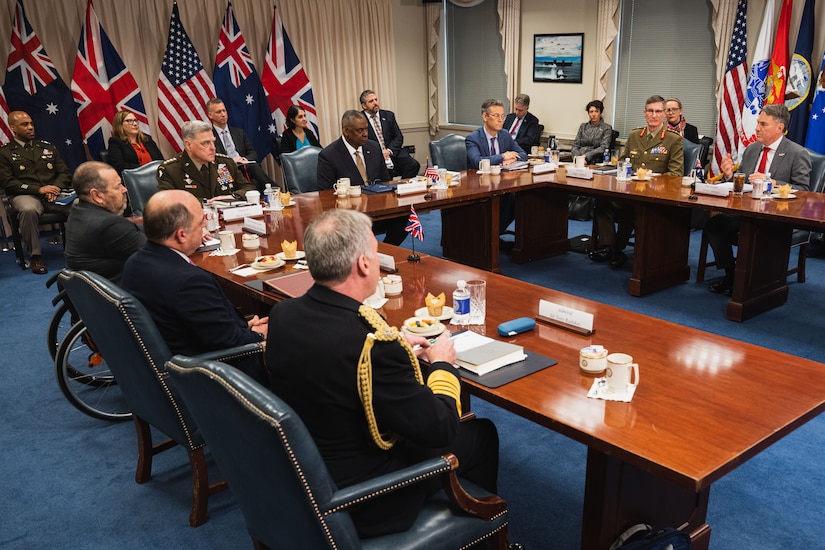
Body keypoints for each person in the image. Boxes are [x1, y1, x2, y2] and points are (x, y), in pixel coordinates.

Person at [266, 208, 499, 537]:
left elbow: (335, 357)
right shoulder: (374, 346)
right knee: (481, 435)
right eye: (375, 253)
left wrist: (397, 346)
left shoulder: (283, 315)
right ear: (363, 264)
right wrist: (444, 363)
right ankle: (480, 537)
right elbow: (441, 429)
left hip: (304, 476)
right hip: (364, 500)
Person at [121, 189, 268, 383]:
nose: (206, 224)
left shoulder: (136, 261)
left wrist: (240, 327)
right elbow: (229, 344)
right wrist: (258, 335)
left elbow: (203, 325)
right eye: (201, 222)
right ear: (181, 235)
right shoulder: (188, 281)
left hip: (176, 357)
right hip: (214, 376)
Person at [703, 104, 811, 296]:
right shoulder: (752, 149)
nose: (757, 128)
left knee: (754, 232)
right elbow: (743, 182)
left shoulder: (797, 153)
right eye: (758, 123)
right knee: (714, 226)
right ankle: (732, 274)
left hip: (776, 215)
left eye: (763, 124)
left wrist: (771, 182)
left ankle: (757, 282)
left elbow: (803, 190)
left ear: (779, 127)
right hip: (747, 211)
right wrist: (730, 175)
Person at [590, 95, 684, 269]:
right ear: (644, 113)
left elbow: (676, 174)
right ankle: (608, 247)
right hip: (629, 191)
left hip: (654, 197)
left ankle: (617, 250)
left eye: (657, 111)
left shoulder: (673, 139)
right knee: (602, 201)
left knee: (631, 211)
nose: (654, 115)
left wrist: (650, 178)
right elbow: (624, 163)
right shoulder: (634, 135)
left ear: (664, 114)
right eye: (650, 111)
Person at [317, 110, 407, 245]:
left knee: (405, 215)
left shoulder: (374, 147)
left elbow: (385, 180)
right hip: (350, 213)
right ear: (346, 131)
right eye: (360, 130)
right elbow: (325, 194)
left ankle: (384, 250)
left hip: (378, 208)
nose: (365, 134)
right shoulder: (329, 155)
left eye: (366, 129)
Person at [0, 111, 72, 274]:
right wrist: (39, 189)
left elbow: (64, 173)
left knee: (79, 204)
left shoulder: (47, 148)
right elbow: (8, 182)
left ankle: (78, 249)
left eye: (31, 123)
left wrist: (56, 187)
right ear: (13, 128)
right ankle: (35, 256)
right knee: (29, 209)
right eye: (24, 125)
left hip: (54, 194)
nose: (31, 127)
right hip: (25, 195)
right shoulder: (4, 153)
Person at [64, 161, 146, 282]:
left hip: (92, 295)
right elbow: (162, 255)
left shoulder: (78, 212)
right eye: (118, 186)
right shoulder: (110, 225)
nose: (124, 190)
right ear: (97, 195)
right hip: (123, 293)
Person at [466, 98, 528, 234]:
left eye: (502, 116)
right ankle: (488, 236)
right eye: (496, 116)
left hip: (502, 183)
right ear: (485, 116)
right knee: (510, 201)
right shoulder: (473, 138)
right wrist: (502, 156)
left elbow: (523, 154)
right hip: (479, 186)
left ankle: (493, 234)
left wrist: (511, 159)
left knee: (522, 200)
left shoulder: (505, 135)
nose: (500, 120)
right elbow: (477, 162)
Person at [157, 120, 256, 203]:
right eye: (206, 143)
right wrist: (207, 203)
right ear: (188, 145)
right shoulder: (170, 170)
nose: (213, 148)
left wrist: (234, 197)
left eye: (213, 142)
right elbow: (168, 201)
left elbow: (248, 188)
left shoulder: (224, 163)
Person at [205, 98, 276, 193]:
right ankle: (277, 190)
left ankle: (268, 200)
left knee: (255, 183)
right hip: (224, 171)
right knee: (254, 168)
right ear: (210, 115)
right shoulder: (209, 136)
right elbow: (212, 158)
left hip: (243, 167)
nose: (223, 114)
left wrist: (243, 159)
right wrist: (232, 161)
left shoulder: (238, 132)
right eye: (218, 112)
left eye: (224, 110)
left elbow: (253, 153)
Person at [360, 89, 420, 178]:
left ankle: (402, 188)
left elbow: (398, 137)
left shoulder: (388, 115)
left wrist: (389, 151)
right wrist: (380, 153)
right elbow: (362, 141)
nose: (375, 103)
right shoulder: (360, 119)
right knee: (384, 174)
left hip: (392, 152)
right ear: (364, 105)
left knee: (413, 165)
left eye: (376, 99)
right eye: (371, 101)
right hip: (374, 156)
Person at [571, 99, 613, 164]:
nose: (593, 114)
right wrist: (578, 158)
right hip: (579, 159)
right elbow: (575, 145)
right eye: (591, 112)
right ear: (588, 113)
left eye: (596, 111)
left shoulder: (606, 128)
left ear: (600, 113)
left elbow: (603, 147)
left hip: (595, 160)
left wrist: (586, 156)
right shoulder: (583, 126)